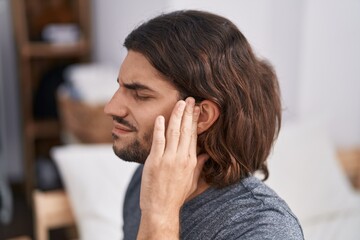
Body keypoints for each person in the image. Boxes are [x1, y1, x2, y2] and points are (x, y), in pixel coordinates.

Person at [104, 10, 304, 240]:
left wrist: (160, 213)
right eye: (120, 87)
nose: (111, 107)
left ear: (201, 116)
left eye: (140, 95)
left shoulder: (263, 230)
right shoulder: (146, 178)